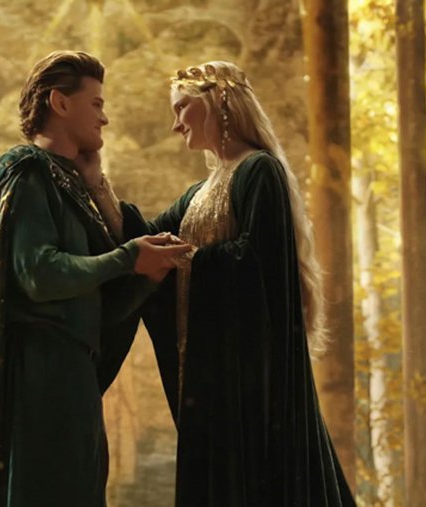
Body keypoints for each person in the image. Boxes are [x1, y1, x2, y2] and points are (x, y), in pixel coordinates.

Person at [84, 61, 356, 506]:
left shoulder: (259, 171)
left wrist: (184, 260)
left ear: (219, 102)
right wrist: (96, 182)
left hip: (249, 381)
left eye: (182, 108)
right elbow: (145, 239)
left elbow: (257, 264)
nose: (176, 124)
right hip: (216, 378)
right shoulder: (200, 193)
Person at [0, 50, 191, 507]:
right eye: (96, 104)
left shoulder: (70, 185)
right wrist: (127, 259)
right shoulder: (26, 173)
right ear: (60, 103)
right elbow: (39, 273)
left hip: (73, 380)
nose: (104, 117)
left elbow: (98, 305)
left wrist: (146, 274)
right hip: (40, 382)